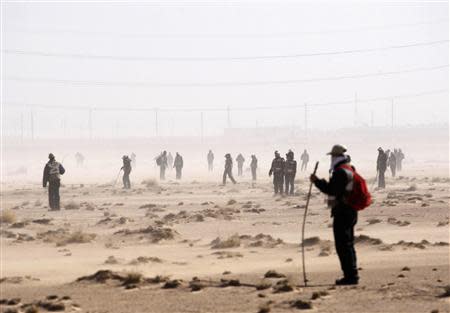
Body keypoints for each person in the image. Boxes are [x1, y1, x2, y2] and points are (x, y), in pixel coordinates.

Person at [310, 144, 359, 285]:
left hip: (343, 212)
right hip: (351, 211)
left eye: (332, 156)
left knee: (343, 245)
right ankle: (352, 274)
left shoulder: (340, 172)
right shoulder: (350, 169)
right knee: (348, 244)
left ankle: (350, 276)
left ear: (335, 156)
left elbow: (332, 190)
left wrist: (317, 182)